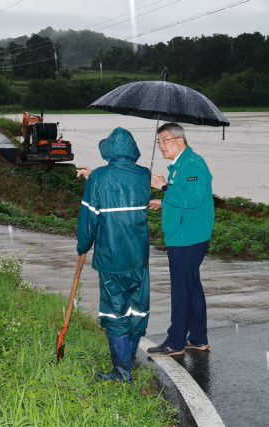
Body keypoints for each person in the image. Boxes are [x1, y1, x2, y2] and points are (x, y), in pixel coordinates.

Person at [76, 127, 151, 383]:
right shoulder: (144, 175)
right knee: (137, 310)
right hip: (139, 258)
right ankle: (129, 362)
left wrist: (82, 246)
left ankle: (121, 373)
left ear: (108, 149)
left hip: (111, 257)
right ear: (133, 149)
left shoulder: (99, 177)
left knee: (114, 312)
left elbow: (89, 220)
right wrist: (94, 180)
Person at [147, 122, 214, 357]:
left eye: (165, 140)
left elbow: (194, 199)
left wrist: (164, 186)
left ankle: (175, 343)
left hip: (188, 237)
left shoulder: (192, 163)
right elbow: (183, 197)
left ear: (179, 140)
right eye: (159, 142)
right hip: (185, 234)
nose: (161, 146)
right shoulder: (179, 165)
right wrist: (164, 200)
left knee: (181, 290)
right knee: (192, 287)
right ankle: (197, 338)